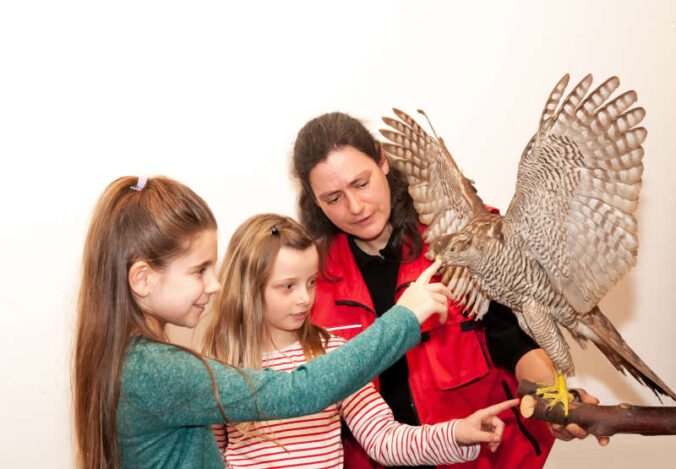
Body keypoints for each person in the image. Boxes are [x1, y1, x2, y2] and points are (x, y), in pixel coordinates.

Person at [291, 112, 609, 469]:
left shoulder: (468, 243)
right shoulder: (307, 284)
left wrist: (550, 401)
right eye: (333, 198)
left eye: (361, 183)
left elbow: (517, 342)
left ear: (382, 160)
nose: (355, 207)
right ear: (314, 201)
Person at [73, 175, 455, 469]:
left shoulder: (135, 362)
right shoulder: (158, 369)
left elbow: (383, 438)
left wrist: (454, 434)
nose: (214, 284)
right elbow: (295, 392)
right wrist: (405, 317)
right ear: (142, 278)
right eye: (200, 270)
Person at [203, 213, 519, 468]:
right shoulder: (218, 363)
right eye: (287, 286)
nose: (305, 298)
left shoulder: (330, 353)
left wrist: (458, 434)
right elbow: (206, 457)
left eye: (311, 282)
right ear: (248, 288)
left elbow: (384, 439)